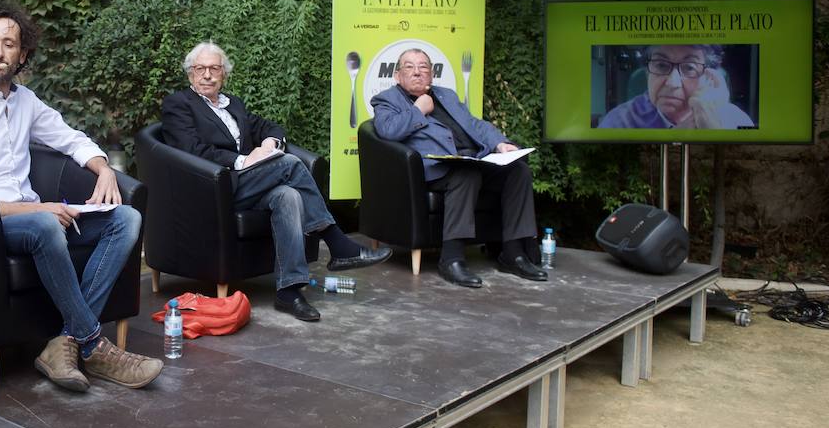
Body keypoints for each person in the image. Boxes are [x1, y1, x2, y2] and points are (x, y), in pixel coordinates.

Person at [0, 3, 162, 393]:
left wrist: (104, 168)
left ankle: (65, 341)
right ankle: (93, 344)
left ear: (22, 54)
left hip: (35, 218)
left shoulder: (26, 102)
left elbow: (69, 138)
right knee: (44, 224)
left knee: (127, 219)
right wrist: (39, 208)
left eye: (9, 44)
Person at [161, 42, 391, 321]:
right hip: (213, 187)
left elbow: (269, 127)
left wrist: (270, 142)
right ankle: (337, 242)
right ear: (190, 73)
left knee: (288, 196)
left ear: (224, 74)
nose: (207, 75)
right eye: (201, 69)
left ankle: (289, 291)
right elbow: (191, 150)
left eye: (215, 69)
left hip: (246, 185)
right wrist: (244, 160)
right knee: (289, 164)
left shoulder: (234, 104)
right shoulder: (179, 104)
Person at [370, 48, 545, 289]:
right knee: (466, 173)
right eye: (409, 67)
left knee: (518, 171)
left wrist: (500, 143)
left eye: (423, 67)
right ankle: (451, 259)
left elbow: (474, 124)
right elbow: (388, 131)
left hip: (472, 160)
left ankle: (513, 253)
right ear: (397, 75)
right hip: (433, 168)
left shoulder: (447, 95)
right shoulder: (387, 100)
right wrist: (418, 110)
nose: (417, 72)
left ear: (431, 74)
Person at [597, 44, 754, 129]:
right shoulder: (619, 121)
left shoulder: (736, 121)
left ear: (709, 77)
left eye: (689, 67)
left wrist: (710, 125)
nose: (673, 83)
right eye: (661, 65)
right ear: (647, 73)